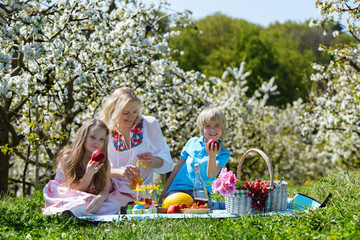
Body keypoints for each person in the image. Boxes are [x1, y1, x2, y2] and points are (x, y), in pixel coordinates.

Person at [99, 87, 173, 207]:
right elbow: (99, 169)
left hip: (144, 194)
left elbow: (167, 164)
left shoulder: (149, 124)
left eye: (135, 111)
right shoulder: (105, 131)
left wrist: (153, 161)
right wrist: (120, 172)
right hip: (113, 192)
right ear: (113, 111)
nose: (131, 117)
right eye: (126, 113)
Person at [42, 119, 120, 217]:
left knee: (115, 205)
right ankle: (68, 211)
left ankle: (77, 212)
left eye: (101, 139)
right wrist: (89, 173)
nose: (97, 142)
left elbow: (105, 188)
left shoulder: (103, 161)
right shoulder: (68, 157)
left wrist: (99, 199)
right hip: (67, 194)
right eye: (93, 137)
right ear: (83, 137)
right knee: (81, 203)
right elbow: (75, 188)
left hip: (86, 197)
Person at [166, 107, 230, 210]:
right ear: (201, 128)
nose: (213, 130)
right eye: (208, 126)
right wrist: (165, 190)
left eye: (217, 126)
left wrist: (212, 155)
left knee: (199, 208)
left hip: (200, 193)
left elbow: (210, 175)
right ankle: (215, 205)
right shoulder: (192, 143)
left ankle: (218, 205)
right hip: (178, 189)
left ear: (222, 127)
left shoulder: (223, 153)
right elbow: (178, 166)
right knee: (172, 206)